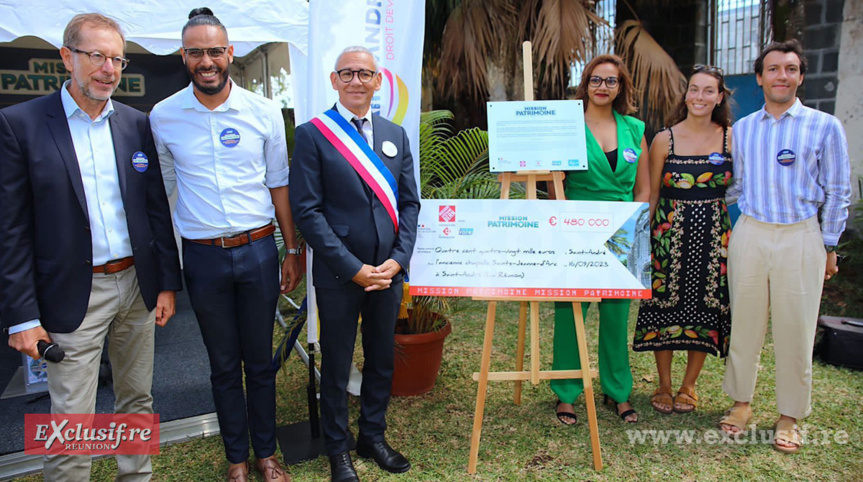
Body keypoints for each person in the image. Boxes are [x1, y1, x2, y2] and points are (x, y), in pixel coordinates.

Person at [0, 13, 182, 481]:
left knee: (137, 399)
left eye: (117, 59)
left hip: (136, 287)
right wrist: (22, 317)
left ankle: (135, 477)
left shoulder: (136, 124)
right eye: (97, 56)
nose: (109, 69)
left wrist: (164, 284)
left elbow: (156, 210)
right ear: (67, 57)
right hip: (72, 292)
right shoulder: (20, 124)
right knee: (71, 418)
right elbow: (12, 229)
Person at [149, 8, 300, 482]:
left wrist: (291, 250)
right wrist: (168, 271)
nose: (207, 60)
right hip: (202, 257)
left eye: (215, 50)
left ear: (230, 53)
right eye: (196, 52)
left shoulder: (264, 111)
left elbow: (279, 183)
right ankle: (236, 459)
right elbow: (164, 195)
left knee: (259, 360)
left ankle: (267, 454)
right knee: (220, 365)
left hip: (258, 252)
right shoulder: (163, 115)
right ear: (184, 56)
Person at [289, 46, 420, 481]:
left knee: (382, 357)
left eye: (365, 73)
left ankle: (373, 436)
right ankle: (338, 449)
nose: (357, 81)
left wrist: (398, 261)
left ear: (378, 81)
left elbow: (409, 204)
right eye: (348, 73)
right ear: (334, 81)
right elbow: (306, 211)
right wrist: (352, 267)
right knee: (339, 363)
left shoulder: (395, 134)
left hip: (387, 274)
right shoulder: (312, 134)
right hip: (339, 274)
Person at [720, 39, 851, 454]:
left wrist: (829, 244)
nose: (782, 76)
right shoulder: (742, 130)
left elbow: (838, 190)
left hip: (801, 235)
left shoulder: (824, 126)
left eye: (790, 69)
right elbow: (735, 187)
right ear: (760, 78)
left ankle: (790, 415)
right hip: (752, 233)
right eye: (773, 69)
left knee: (796, 328)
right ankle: (741, 403)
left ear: (800, 76)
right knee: (745, 324)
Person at [551, 54, 650, 425]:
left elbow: (643, 189)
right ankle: (565, 392)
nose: (602, 87)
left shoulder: (635, 129)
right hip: (575, 227)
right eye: (595, 79)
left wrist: (629, 227)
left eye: (610, 81)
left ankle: (617, 392)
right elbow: (555, 182)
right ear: (585, 84)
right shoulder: (569, 126)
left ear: (621, 86)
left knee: (616, 314)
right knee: (571, 311)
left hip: (623, 231)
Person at [632, 65, 734, 414]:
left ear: (719, 97)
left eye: (708, 91)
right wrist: (646, 242)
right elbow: (653, 193)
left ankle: (689, 386)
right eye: (694, 89)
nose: (700, 97)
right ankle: (663, 383)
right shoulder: (665, 138)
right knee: (665, 307)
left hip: (713, 236)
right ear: (686, 94)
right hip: (668, 235)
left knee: (704, 308)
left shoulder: (731, 138)